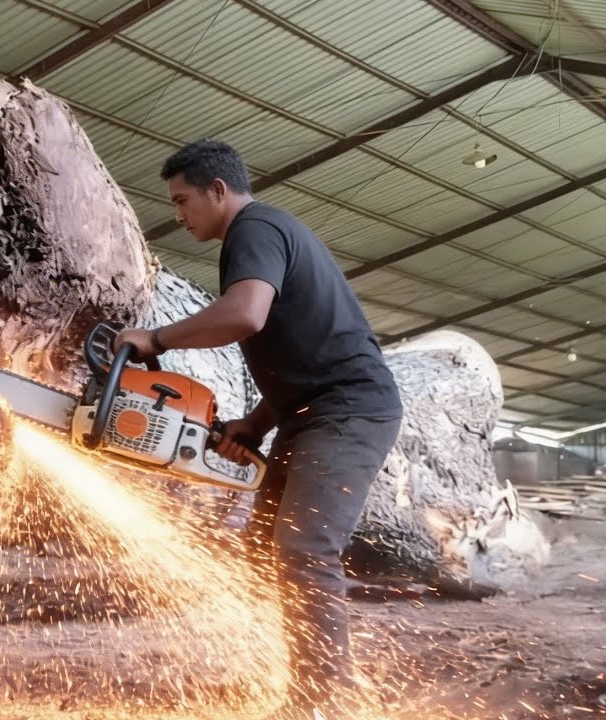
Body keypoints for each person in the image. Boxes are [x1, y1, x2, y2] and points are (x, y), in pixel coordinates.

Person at [114, 139, 403, 713]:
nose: (179, 215)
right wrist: (253, 422)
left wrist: (156, 339)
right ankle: (297, 674)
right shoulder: (262, 233)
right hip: (307, 412)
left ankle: (325, 700)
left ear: (218, 190)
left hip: (349, 408)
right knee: (264, 546)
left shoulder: (255, 227)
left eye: (182, 201)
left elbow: (246, 314)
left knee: (306, 547)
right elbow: (300, 351)